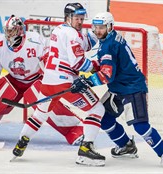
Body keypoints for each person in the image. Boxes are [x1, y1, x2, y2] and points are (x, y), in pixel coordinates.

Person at [0, 15, 84, 146]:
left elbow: (50, 62)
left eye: (12, 31)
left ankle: (73, 130)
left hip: (36, 79)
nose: (8, 34)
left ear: (20, 31)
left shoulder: (35, 40)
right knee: (1, 90)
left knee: (44, 99)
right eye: (7, 31)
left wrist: (59, 78)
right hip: (14, 80)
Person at [74, 12, 163, 168]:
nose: (98, 31)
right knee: (104, 119)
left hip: (131, 88)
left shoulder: (109, 45)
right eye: (96, 27)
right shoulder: (109, 39)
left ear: (110, 27)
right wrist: (92, 69)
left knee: (140, 126)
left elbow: (107, 75)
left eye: (102, 27)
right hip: (118, 87)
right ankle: (125, 146)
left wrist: (87, 81)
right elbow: (108, 65)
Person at [12, 3, 106, 166]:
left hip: (48, 82)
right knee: (97, 109)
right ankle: (85, 151)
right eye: (77, 18)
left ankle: (22, 142)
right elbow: (78, 63)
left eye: (82, 18)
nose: (80, 21)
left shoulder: (59, 30)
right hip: (66, 83)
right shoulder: (73, 35)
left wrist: (97, 33)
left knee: (40, 115)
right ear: (68, 17)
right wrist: (97, 65)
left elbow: (84, 42)